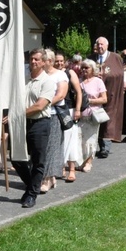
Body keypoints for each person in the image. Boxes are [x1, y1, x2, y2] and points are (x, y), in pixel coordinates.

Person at [9, 48, 56, 208]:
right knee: (16, 158)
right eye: (31, 59)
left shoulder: (48, 82)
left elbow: (39, 105)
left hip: (39, 124)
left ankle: (31, 195)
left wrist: (16, 114)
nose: (33, 62)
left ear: (43, 62)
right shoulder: (23, 79)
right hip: (21, 124)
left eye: (37, 59)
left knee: (38, 161)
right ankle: (32, 186)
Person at [91, 37, 124, 157]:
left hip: (111, 94)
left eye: (102, 44)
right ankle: (96, 146)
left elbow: (119, 74)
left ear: (107, 45)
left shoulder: (115, 58)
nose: (100, 46)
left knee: (108, 121)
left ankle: (105, 148)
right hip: (95, 95)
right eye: (98, 44)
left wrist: (105, 75)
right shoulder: (91, 58)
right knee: (95, 119)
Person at [41, 49, 68, 193]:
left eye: (41, 60)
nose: (38, 62)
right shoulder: (40, 75)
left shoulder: (60, 75)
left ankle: (47, 179)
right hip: (39, 115)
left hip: (53, 115)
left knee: (51, 147)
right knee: (40, 148)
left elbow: (61, 95)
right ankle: (47, 177)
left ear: (49, 61)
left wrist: (43, 104)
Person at [55, 52, 82, 183]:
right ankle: (61, 167)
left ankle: (71, 169)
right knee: (59, 140)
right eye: (56, 61)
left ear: (65, 61)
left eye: (61, 61)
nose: (59, 63)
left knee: (71, 140)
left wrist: (77, 110)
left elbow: (79, 93)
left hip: (69, 110)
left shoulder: (70, 73)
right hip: (55, 111)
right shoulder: (51, 74)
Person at [78, 59, 107, 172]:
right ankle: (82, 161)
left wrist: (89, 101)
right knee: (81, 140)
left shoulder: (98, 81)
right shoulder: (79, 81)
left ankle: (89, 162)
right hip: (80, 116)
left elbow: (104, 99)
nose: (84, 70)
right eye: (83, 68)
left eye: (87, 68)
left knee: (91, 140)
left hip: (93, 115)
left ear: (92, 69)